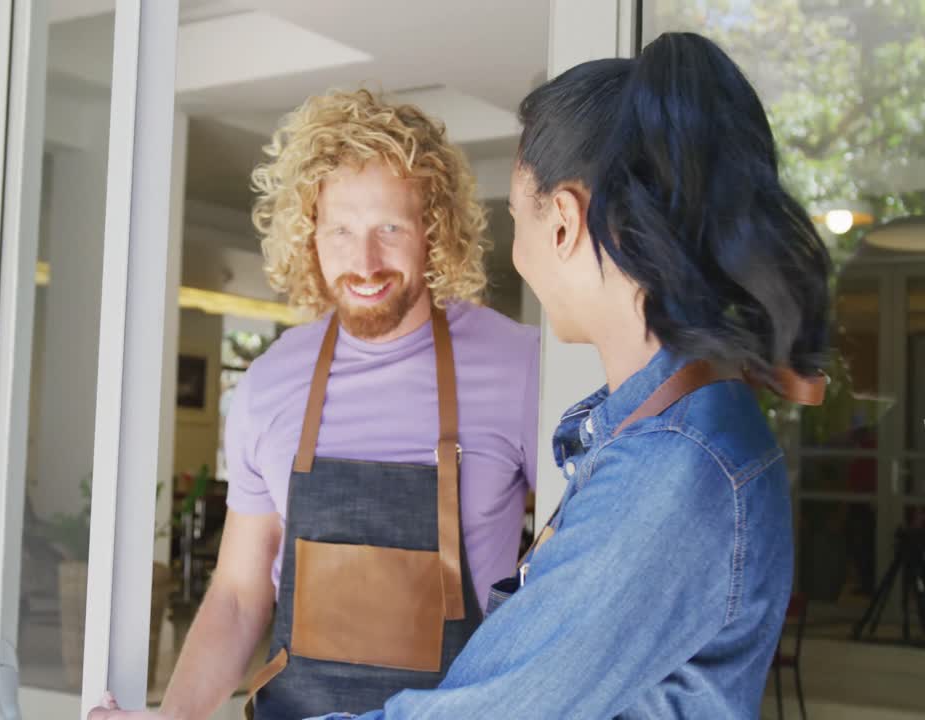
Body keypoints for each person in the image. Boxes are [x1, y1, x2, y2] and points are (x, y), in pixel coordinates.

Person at [310, 32, 831, 719]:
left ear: (562, 223)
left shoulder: (671, 474)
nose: (517, 249)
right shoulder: (660, 434)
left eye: (515, 213)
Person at [88, 89, 540, 720]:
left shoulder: (519, 367)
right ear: (309, 235)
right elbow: (241, 595)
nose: (365, 262)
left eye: (390, 228)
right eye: (340, 231)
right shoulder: (270, 385)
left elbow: (579, 576)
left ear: (433, 231)